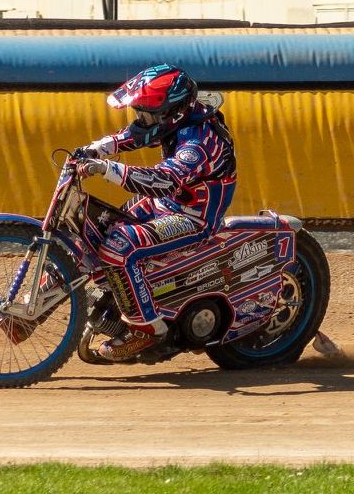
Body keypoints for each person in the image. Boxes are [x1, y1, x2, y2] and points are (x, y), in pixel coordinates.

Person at [74, 64, 237, 361]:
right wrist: (96, 149)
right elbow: (136, 135)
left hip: (193, 217)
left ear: (171, 112)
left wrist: (106, 168)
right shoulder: (176, 121)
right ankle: (28, 315)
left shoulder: (200, 141)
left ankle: (146, 329)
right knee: (95, 228)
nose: (141, 119)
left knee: (119, 246)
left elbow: (162, 181)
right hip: (167, 204)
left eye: (147, 113)